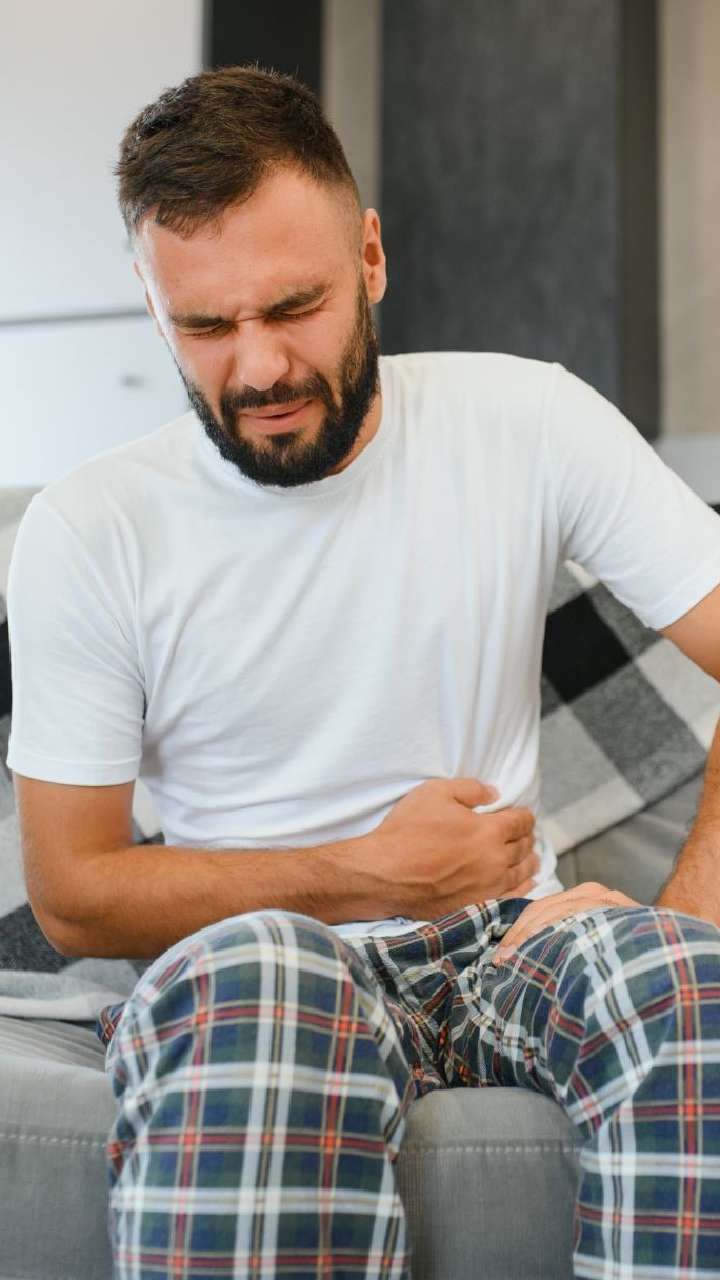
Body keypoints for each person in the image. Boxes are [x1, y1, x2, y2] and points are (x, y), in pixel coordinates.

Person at [7, 64, 720, 1278]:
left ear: (372, 258)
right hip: (259, 950)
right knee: (263, 976)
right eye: (205, 326)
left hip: (510, 939)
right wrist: (372, 871)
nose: (260, 369)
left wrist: (684, 920)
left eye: (295, 305)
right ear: (151, 302)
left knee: (683, 983)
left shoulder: (530, 420)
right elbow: (74, 893)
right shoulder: (92, 528)